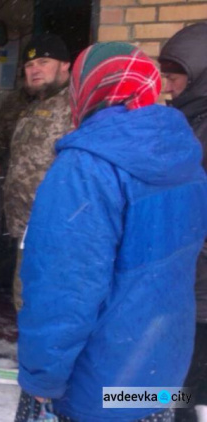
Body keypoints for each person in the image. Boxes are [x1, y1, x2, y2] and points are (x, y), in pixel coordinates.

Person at [15, 42, 207, 422]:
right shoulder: (184, 155)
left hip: (98, 380)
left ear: (88, 88)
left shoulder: (85, 166)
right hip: (161, 367)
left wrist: (41, 379)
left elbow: (63, 291)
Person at [2, 34, 74, 311]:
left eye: (43, 62)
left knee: (44, 307)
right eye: (30, 65)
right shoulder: (34, 105)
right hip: (28, 229)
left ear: (65, 65)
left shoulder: (75, 107)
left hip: (55, 230)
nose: (35, 70)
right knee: (27, 302)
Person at [159, 23, 207, 422]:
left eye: (175, 77)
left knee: (179, 388)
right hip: (185, 279)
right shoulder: (189, 120)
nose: (168, 87)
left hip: (200, 284)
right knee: (178, 388)